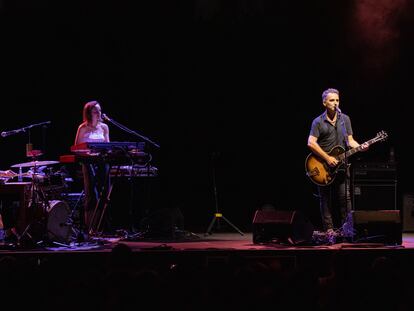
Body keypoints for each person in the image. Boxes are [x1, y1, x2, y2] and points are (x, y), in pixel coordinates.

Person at [307, 88, 367, 235]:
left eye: (337, 100)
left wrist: (361, 147)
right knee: (325, 199)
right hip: (322, 165)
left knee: (345, 198)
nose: (335, 103)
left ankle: (347, 229)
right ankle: (329, 230)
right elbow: (311, 142)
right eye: (332, 100)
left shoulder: (344, 119)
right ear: (324, 102)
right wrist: (327, 158)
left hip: (341, 165)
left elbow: (350, 141)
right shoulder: (318, 121)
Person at [74, 100, 110, 236]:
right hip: (87, 161)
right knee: (91, 194)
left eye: (99, 110)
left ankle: (103, 228)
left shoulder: (104, 127)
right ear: (89, 113)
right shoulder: (82, 128)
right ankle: (91, 228)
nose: (99, 113)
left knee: (105, 193)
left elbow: (108, 146)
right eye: (95, 111)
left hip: (102, 161)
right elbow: (76, 148)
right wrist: (88, 152)